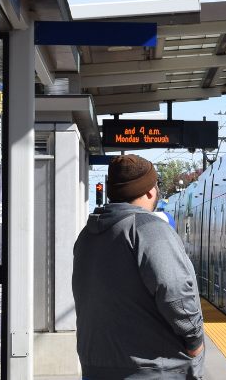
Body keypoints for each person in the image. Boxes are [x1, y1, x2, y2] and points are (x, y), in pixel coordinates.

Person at [74, 155, 204, 380]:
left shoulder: (87, 235)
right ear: (150, 191)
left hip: (96, 367)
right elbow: (174, 291)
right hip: (154, 369)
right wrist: (194, 341)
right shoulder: (149, 229)